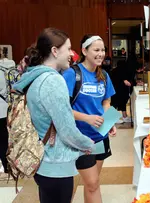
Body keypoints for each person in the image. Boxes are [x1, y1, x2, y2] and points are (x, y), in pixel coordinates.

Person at [13, 28, 95, 203]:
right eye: (68, 49)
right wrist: (87, 144)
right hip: (56, 162)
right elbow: (66, 129)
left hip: (43, 160)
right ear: (55, 51)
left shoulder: (34, 77)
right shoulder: (53, 81)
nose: (72, 55)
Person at [62, 34, 116, 203]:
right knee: (92, 183)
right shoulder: (72, 74)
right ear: (84, 51)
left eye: (103, 50)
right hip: (80, 138)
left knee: (91, 184)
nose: (101, 54)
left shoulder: (104, 75)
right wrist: (87, 118)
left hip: (100, 137)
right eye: (96, 50)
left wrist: (108, 120)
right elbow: (61, 109)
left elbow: (106, 100)